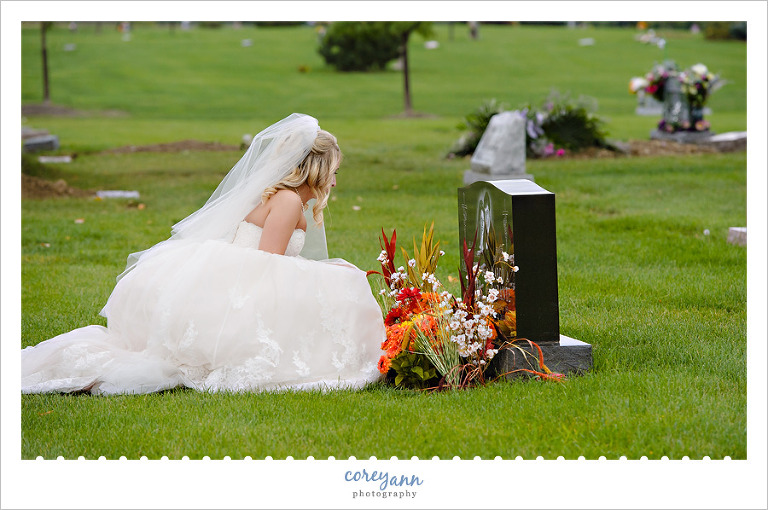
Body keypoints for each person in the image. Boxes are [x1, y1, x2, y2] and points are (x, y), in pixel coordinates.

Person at [22, 113, 386, 394]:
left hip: (238, 271)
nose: (335, 182)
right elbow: (270, 264)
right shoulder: (289, 200)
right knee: (344, 286)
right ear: (316, 169)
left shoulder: (284, 198)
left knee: (339, 281)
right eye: (333, 172)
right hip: (249, 280)